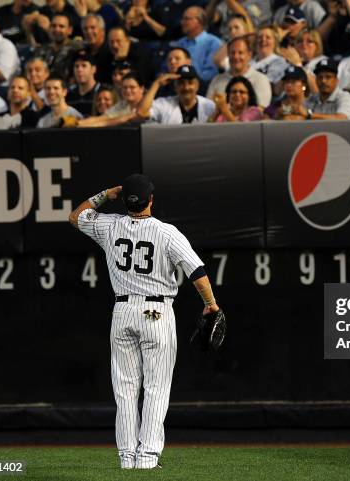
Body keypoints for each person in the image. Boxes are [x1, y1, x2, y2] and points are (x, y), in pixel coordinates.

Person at [68, 174, 221, 470]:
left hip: (122, 311)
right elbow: (197, 271)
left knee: (125, 390)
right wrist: (211, 305)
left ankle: (127, 457)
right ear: (151, 200)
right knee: (156, 387)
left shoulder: (109, 226)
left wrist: (104, 194)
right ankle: (148, 457)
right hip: (157, 312)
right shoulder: (166, 233)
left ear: (124, 200)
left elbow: (76, 216)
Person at [206, 37, 272, 107]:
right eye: (232, 53)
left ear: (249, 55)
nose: (236, 56)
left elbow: (261, 110)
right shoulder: (217, 80)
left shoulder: (261, 80)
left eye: (240, 53)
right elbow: (209, 108)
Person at [138, 65, 216, 124]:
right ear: (175, 86)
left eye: (190, 83)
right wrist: (156, 83)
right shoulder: (164, 104)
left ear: (197, 86)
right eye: (181, 83)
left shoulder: (209, 105)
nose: (186, 87)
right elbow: (142, 113)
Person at [174, 7, 222, 83]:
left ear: (199, 21)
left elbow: (209, 74)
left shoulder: (213, 43)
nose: (182, 22)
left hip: (202, 87)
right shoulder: (179, 43)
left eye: (186, 19)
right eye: (183, 19)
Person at [33, 14, 76, 80]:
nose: (57, 29)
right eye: (53, 26)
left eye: (61, 26)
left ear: (69, 30)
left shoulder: (77, 49)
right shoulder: (41, 50)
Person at [68, 50, 102, 115]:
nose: (79, 70)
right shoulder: (68, 94)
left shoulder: (104, 91)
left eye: (84, 66)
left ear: (93, 69)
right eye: (76, 66)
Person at [81, 14, 112, 83]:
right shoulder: (82, 53)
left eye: (92, 28)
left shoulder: (111, 52)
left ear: (102, 31)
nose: (88, 32)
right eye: (85, 29)